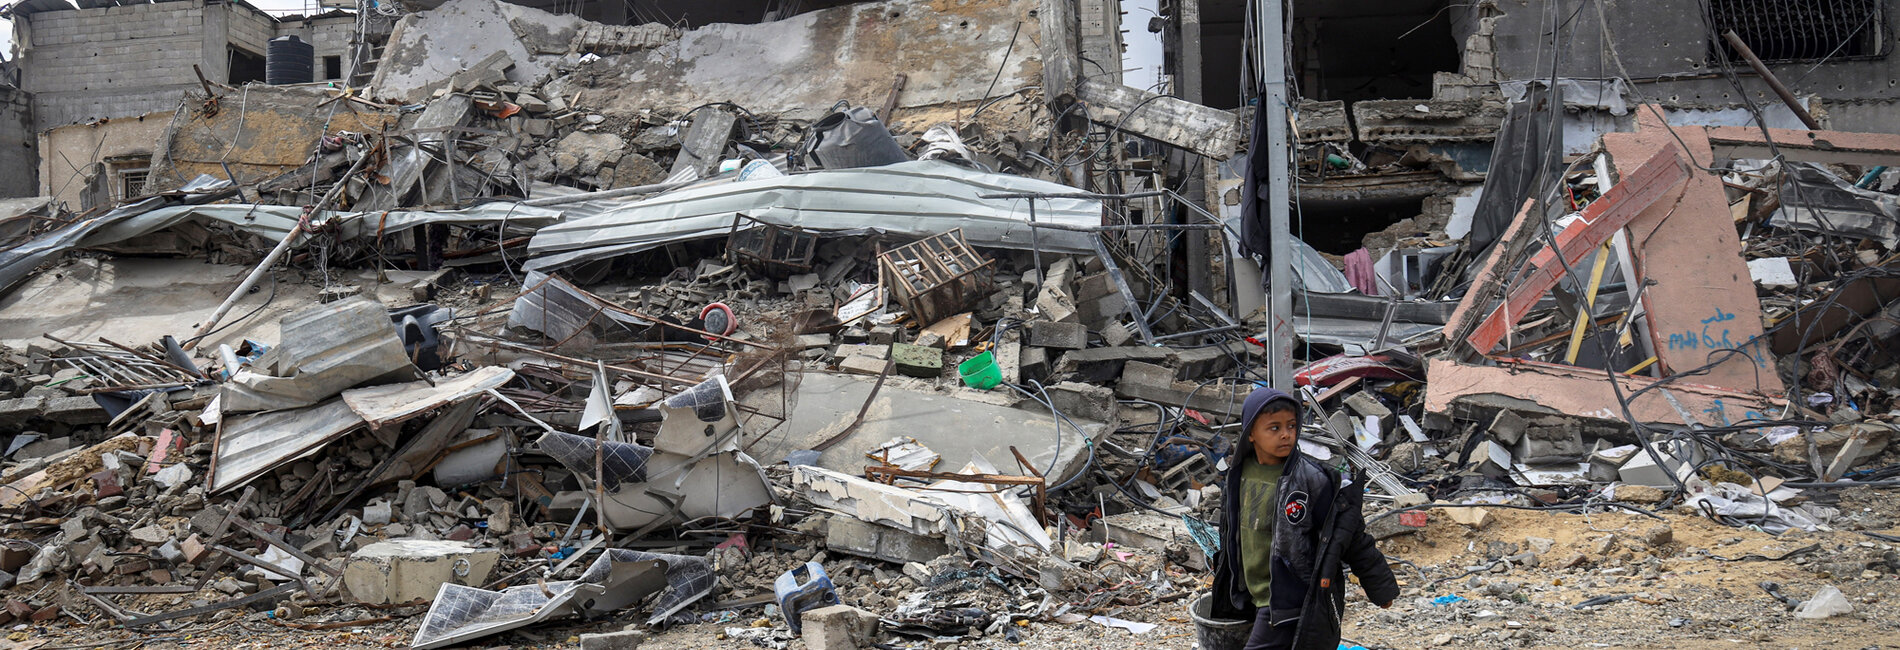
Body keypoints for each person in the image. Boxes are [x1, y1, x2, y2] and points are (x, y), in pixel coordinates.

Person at [1210, 386, 1399, 650]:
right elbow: (1231, 532)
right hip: (1249, 593)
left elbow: (1349, 534)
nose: (1286, 434)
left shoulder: (1311, 479)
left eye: (1291, 426)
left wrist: (1380, 588)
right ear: (1251, 433)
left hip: (1291, 596)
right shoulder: (1237, 474)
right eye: (1274, 428)